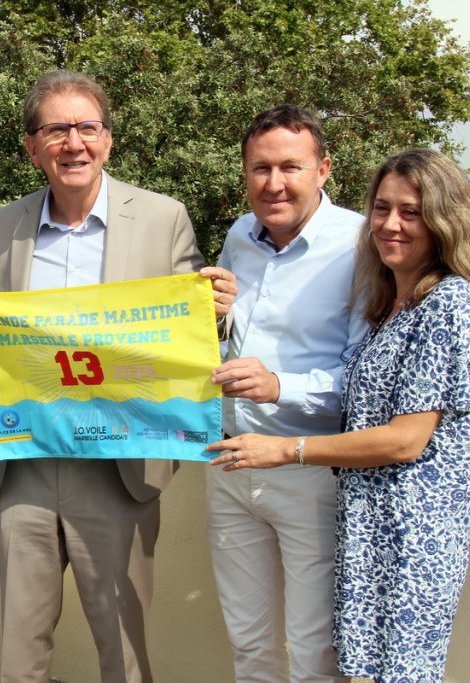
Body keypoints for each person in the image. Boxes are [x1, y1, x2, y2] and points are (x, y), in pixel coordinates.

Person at [208, 149, 470, 682]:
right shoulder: (396, 300)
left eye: (412, 212)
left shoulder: (451, 305)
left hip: (414, 536)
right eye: (381, 208)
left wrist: (285, 448)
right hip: (372, 524)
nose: (390, 224)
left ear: (447, 221)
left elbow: (405, 441)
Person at [0, 70, 236, 683]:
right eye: (56, 129)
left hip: (120, 469)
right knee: (20, 656)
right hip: (28, 464)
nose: (74, 143)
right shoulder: (1, 226)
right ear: (31, 146)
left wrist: (217, 312)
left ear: (108, 139)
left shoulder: (162, 218)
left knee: (122, 653)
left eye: (86, 127)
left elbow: (188, 335)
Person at [206, 104, 367, 682]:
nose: (274, 183)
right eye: (259, 169)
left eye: (290, 167)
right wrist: (212, 317)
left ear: (323, 169)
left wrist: (281, 387)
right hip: (229, 460)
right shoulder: (238, 236)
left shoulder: (362, 244)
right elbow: (227, 340)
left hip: (309, 468)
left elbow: (370, 379)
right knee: (247, 641)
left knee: (313, 647)